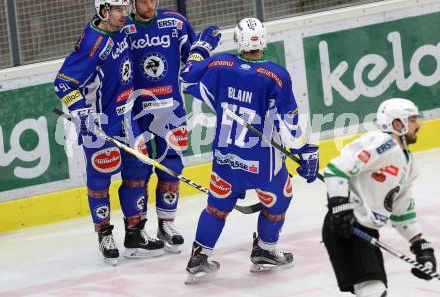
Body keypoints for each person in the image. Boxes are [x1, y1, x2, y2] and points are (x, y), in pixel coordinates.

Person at [179, 18, 320, 283]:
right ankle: (265, 250)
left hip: (225, 157)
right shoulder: (276, 75)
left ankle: (198, 257)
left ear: (238, 40)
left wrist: (200, 49)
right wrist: (304, 153)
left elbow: (186, 77)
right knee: (279, 201)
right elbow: (289, 121)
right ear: (263, 40)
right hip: (262, 162)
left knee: (216, 208)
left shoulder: (219, 65)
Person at [53, 0, 164, 265]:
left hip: (129, 119)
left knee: (139, 171)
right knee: (100, 180)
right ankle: (104, 234)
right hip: (100, 124)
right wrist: (83, 114)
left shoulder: (123, 28)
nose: (123, 14)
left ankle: (134, 232)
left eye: (124, 9)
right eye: (117, 9)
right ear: (103, 11)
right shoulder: (93, 44)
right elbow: (63, 83)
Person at [322, 98, 437, 296]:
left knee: (376, 292)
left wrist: (419, 245)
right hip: (346, 227)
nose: (418, 126)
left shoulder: (410, 165)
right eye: (412, 120)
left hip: (366, 232)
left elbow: (402, 212)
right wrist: (339, 207)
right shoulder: (381, 143)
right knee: (373, 292)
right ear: (397, 123)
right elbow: (337, 169)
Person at [125, 0, 202, 253]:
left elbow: (194, 57)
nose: (149, 5)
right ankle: (136, 230)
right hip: (136, 114)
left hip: (172, 111)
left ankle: (166, 224)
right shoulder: (124, 29)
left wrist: (202, 52)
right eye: (143, 1)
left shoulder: (175, 23)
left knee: (172, 167)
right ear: (133, 3)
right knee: (138, 171)